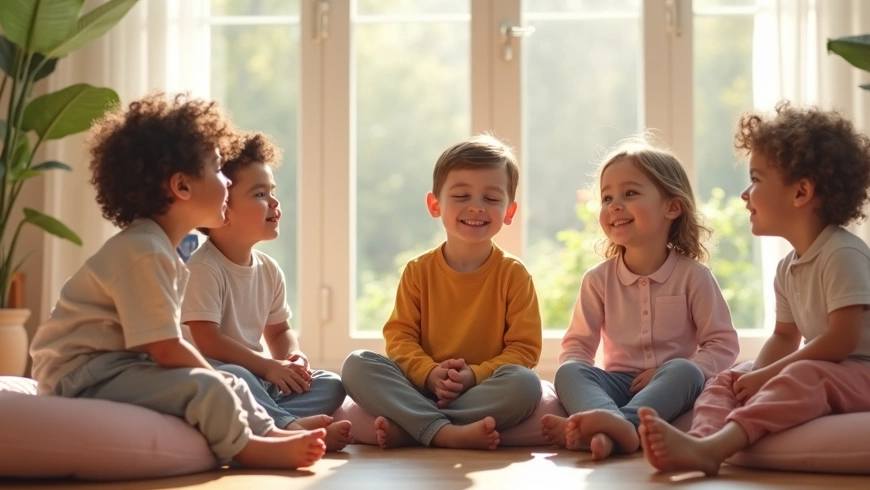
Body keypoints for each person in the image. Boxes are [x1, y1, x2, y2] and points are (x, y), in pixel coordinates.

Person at [29, 93, 325, 470]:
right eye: (219, 170)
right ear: (182, 187)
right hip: (79, 375)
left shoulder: (160, 248)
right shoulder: (145, 250)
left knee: (229, 382)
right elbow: (167, 349)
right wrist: (212, 374)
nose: (225, 180)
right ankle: (247, 449)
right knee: (211, 384)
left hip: (114, 365)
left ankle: (271, 431)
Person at [639, 103, 870, 475]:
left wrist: (769, 376)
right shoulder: (787, 268)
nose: (745, 193)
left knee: (803, 375)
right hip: (838, 373)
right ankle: (702, 442)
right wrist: (753, 375)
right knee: (728, 378)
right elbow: (784, 337)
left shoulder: (843, 254)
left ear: (801, 192)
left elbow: (842, 341)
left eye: (756, 179)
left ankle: (719, 446)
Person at [542, 136, 739, 459]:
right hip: (617, 385)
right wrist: (582, 379)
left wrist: (680, 369)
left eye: (630, 193)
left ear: (672, 207)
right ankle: (610, 427)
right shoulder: (597, 280)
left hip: (670, 385)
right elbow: (577, 347)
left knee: (686, 371)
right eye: (606, 198)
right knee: (569, 372)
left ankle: (617, 427)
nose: (614, 205)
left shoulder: (694, 276)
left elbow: (722, 344)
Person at [341, 134, 543, 450]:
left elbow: (524, 350)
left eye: (491, 199)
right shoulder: (417, 271)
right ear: (435, 205)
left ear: (510, 211)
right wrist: (430, 373)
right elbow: (400, 339)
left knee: (526, 385)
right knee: (357, 364)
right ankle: (445, 431)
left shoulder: (514, 275)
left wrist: (473, 376)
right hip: (419, 387)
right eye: (462, 195)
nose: (476, 207)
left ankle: (415, 428)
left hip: (482, 390)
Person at [182, 130, 353, 452]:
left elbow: (279, 331)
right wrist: (266, 367)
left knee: (331, 384)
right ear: (223, 209)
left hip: (258, 378)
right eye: (260, 194)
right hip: (215, 376)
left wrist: (290, 357)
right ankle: (287, 428)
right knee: (235, 376)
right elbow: (208, 341)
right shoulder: (203, 267)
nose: (274, 202)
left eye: (272, 192)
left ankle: (265, 419)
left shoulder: (269, 269)